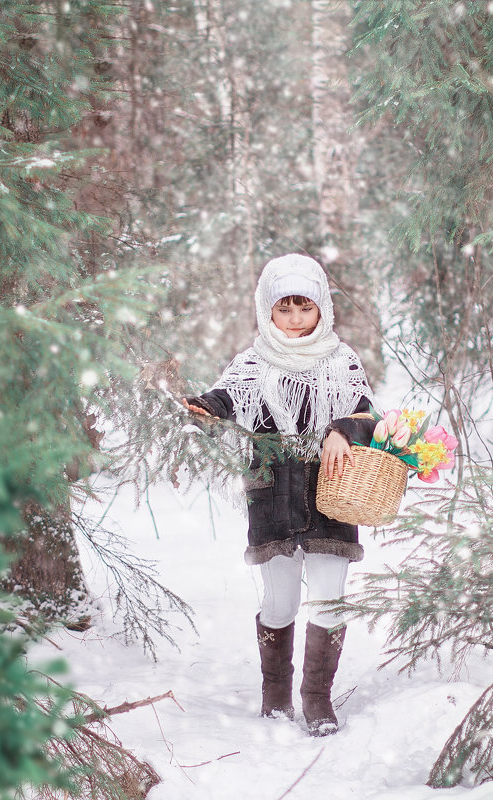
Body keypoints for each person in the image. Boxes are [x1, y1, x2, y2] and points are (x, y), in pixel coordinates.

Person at [182, 253, 377, 737]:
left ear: (322, 310)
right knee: (281, 601)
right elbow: (226, 397)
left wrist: (340, 430)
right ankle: (274, 693)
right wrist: (204, 408)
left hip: (331, 490)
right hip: (272, 493)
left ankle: (317, 699)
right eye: (284, 310)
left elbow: (368, 416)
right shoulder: (253, 362)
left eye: (305, 309)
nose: (294, 321)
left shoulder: (341, 359)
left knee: (330, 599)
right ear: (267, 310)